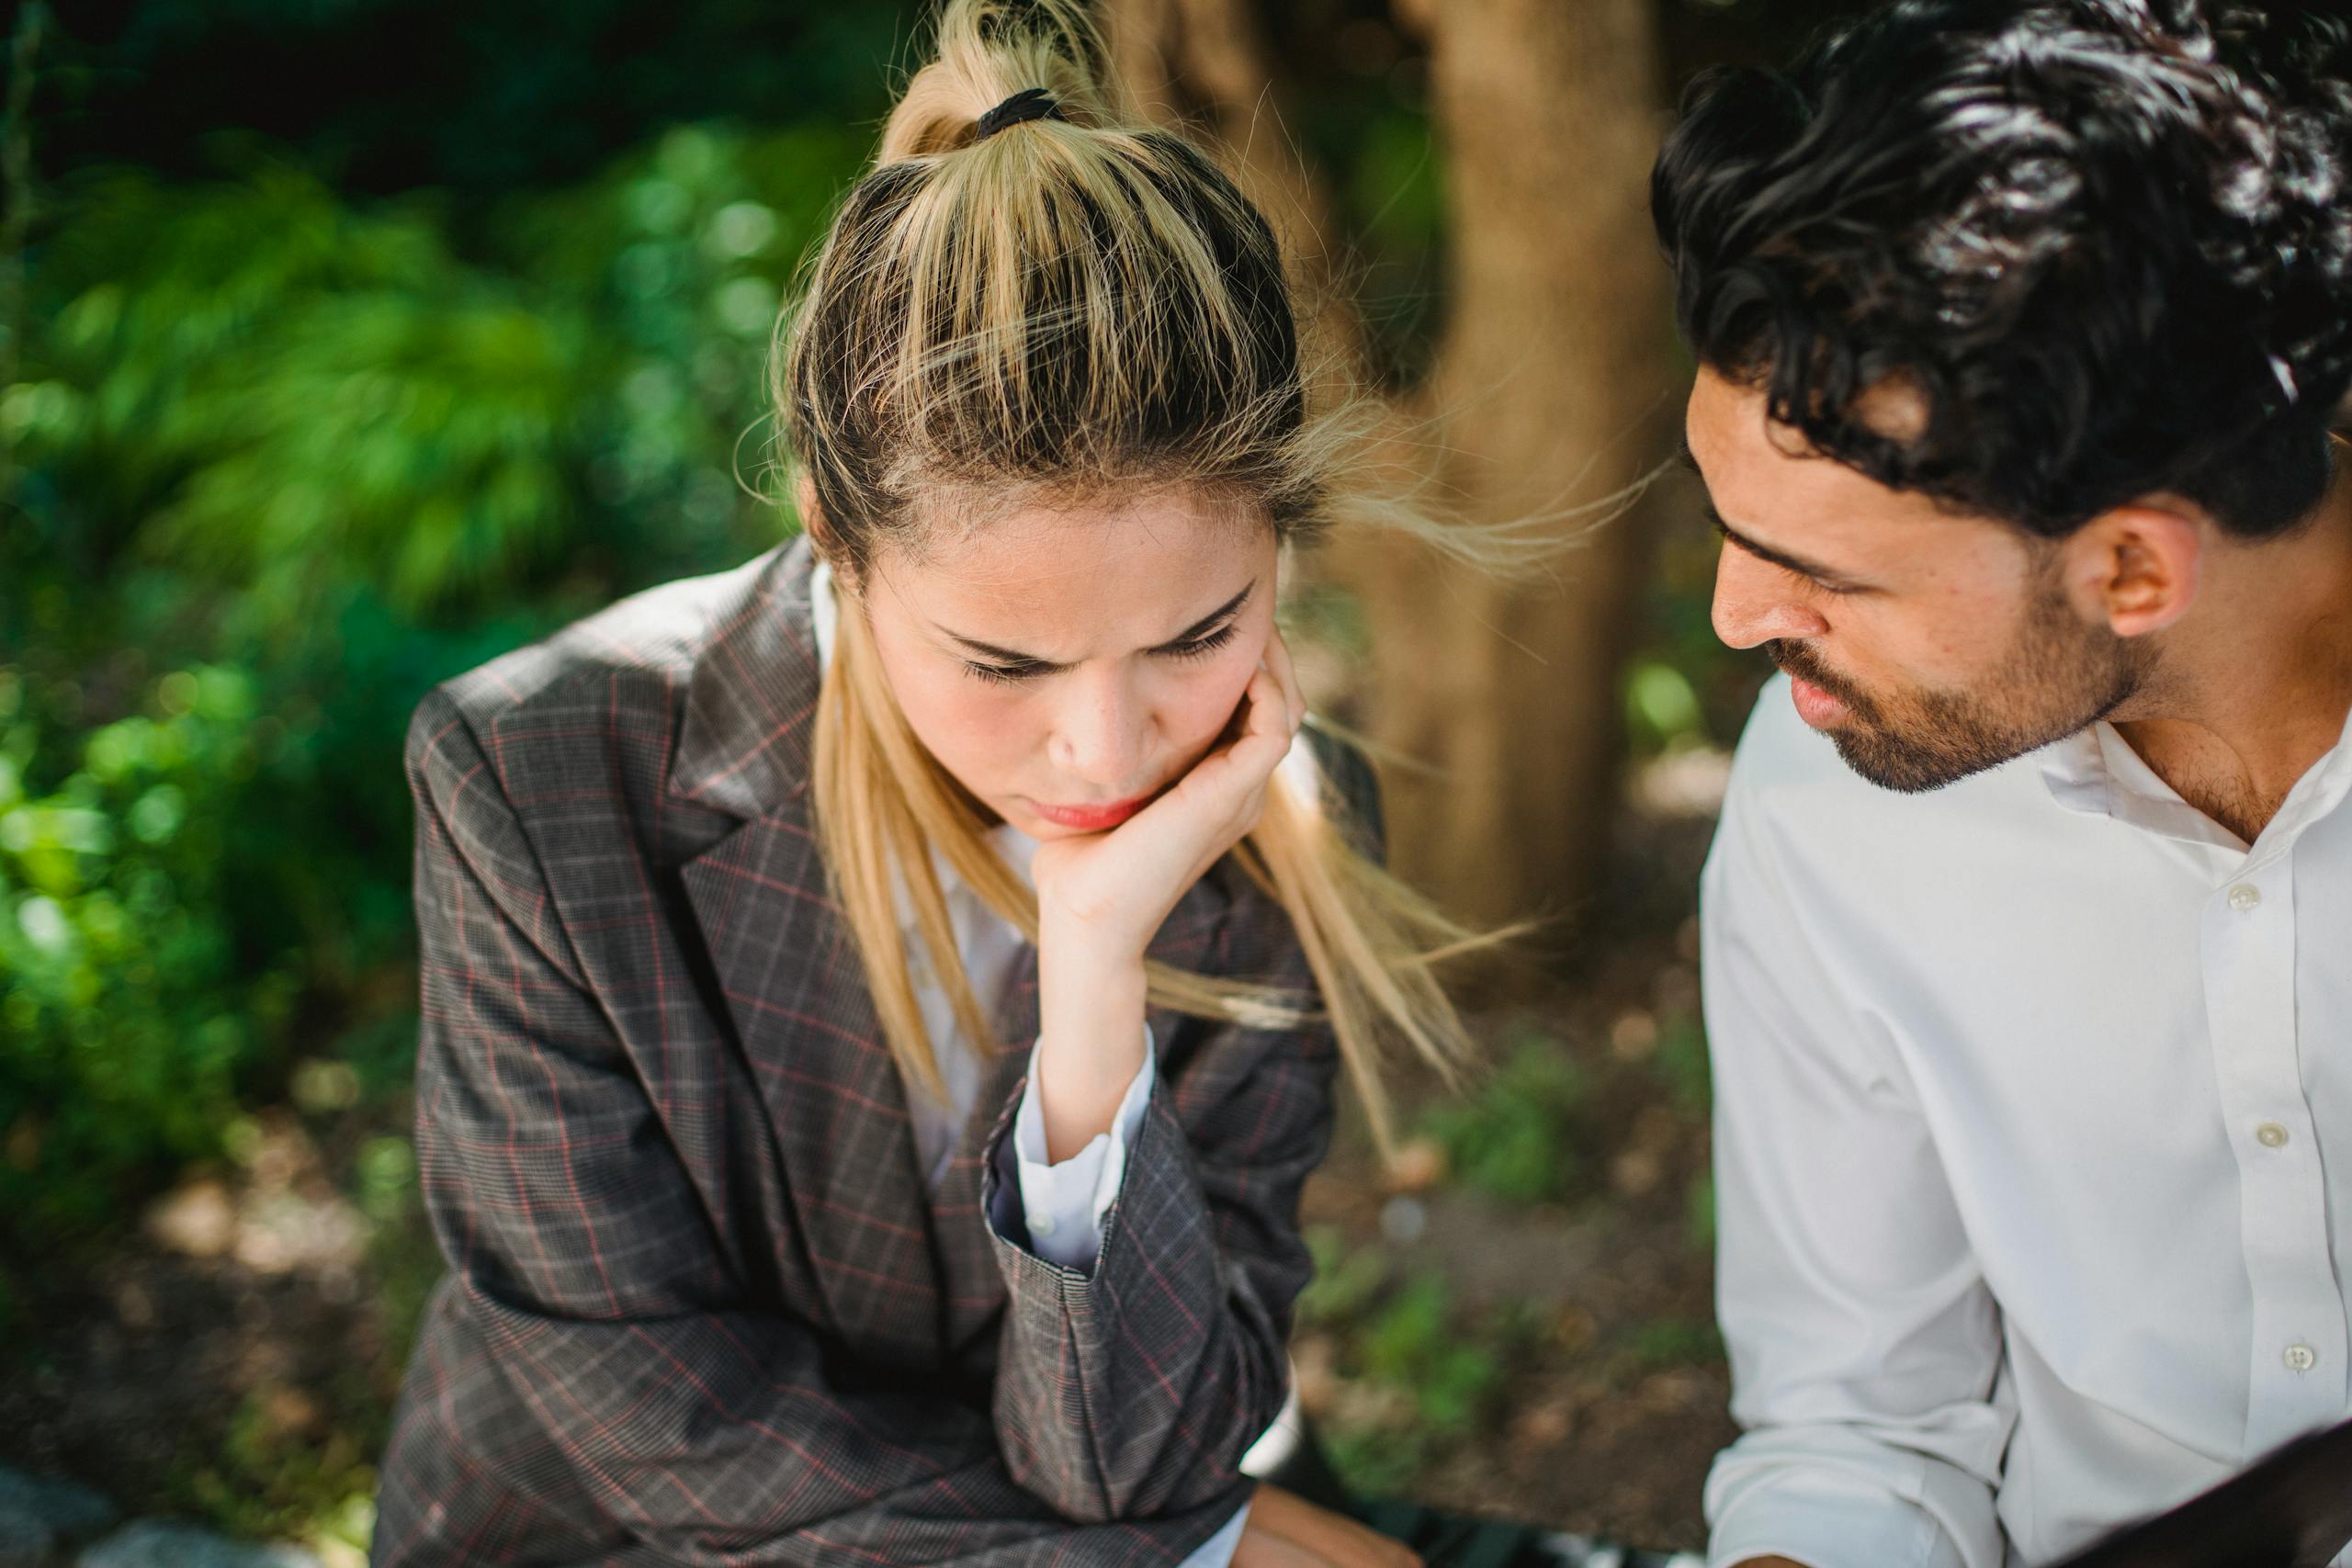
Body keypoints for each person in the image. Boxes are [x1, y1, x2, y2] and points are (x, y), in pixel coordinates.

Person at [368, 3, 1502, 1562]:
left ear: (1283, 543)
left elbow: (1143, 1461)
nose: (1108, 753)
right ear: (838, 537)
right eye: (1006, 666)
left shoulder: (1285, 819)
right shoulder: (541, 780)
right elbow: (638, 1399)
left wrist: (1094, 998)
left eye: (1199, 634)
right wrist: (1194, 1562)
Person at [1650, 2, 2352, 1564]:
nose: (1740, 619)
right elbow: (1860, 1427)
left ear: (2130, 566)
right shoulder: (1824, 793)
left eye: (1821, 569)